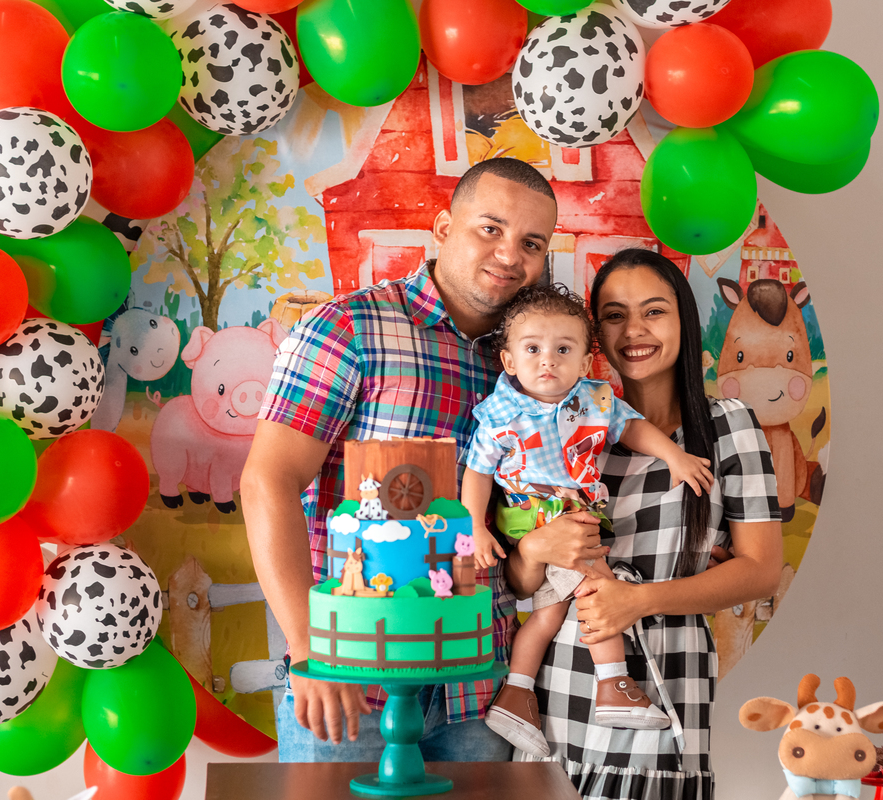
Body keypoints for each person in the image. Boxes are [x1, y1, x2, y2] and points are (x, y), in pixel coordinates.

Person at [240, 157, 607, 763]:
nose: (509, 255)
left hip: (479, 683)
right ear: (442, 227)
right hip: (353, 675)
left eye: (531, 243)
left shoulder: (531, 359)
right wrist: (310, 650)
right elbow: (267, 482)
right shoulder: (351, 327)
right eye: (490, 228)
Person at [504, 248, 785, 800]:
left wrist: (639, 600)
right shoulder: (564, 430)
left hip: (666, 674)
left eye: (654, 311)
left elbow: (760, 571)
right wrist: (534, 549)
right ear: (595, 336)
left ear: (684, 319)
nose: (634, 330)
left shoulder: (728, 427)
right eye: (614, 315)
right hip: (562, 677)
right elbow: (519, 583)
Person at [460, 284, 714, 757]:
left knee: (549, 612)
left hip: (576, 512)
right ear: (509, 360)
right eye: (532, 349)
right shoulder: (500, 414)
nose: (547, 361)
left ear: (584, 362)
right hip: (535, 515)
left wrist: (674, 455)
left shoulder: (594, 399)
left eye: (563, 350)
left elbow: (632, 427)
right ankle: (613, 684)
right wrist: (474, 526)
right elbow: (477, 472)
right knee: (598, 586)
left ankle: (516, 695)